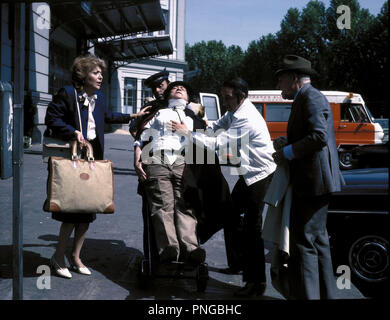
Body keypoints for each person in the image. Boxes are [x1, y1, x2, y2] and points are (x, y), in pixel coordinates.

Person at [44, 54, 149, 279]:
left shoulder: (99, 98)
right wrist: (73, 132)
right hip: (72, 159)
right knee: (71, 213)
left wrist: (133, 115)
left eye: (101, 73)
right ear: (83, 75)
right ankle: (58, 256)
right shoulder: (68, 94)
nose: (100, 76)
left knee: (88, 212)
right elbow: (52, 119)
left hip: (93, 158)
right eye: (95, 73)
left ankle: (76, 256)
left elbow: (108, 116)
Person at [171, 77, 277, 297]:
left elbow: (219, 142)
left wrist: (188, 134)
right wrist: (196, 115)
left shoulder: (246, 118)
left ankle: (256, 282)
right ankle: (237, 262)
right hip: (249, 173)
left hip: (261, 175)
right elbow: (215, 128)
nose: (225, 101)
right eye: (223, 97)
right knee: (229, 215)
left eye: (228, 98)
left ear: (241, 96)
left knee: (252, 228)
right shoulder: (234, 111)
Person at [272, 55, 344, 299]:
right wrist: (289, 143)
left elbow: (318, 137)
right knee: (318, 242)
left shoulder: (310, 97)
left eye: (281, 80)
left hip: (314, 183)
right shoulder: (307, 97)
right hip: (316, 182)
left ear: (294, 79)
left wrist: (287, 152)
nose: (279, 86)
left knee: (304, 244)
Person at [134, 81, 206, 264]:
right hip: (158, 161)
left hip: (184, 164)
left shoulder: (195, 117)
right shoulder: (158, 113)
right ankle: (169, 248)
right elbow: (142, 137)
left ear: (189, 98)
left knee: (185, 205)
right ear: (168, 95)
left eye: (183, 88)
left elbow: (207, 142)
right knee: (162, 206)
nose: (179, 89)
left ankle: (190, 248)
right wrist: (137, 158)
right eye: (175, 88)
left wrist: (190, 130)